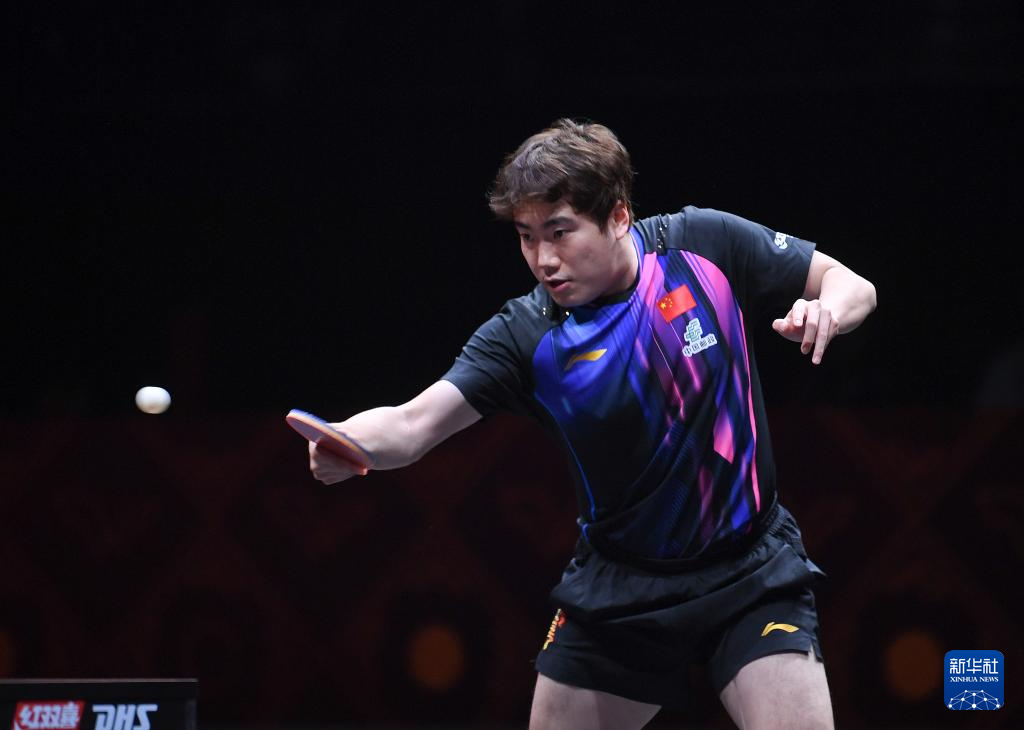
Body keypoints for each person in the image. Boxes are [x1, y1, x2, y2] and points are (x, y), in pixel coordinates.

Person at [307, 119, 877, 729]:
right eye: (526, 237)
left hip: (750, 572)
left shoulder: (702, 247)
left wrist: (827, 310)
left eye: (560, 232)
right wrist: (353, 442)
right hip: (620, 593)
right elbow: (412, 424)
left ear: (618, 216)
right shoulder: (527, 335)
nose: (543, 260)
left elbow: (853, 286)